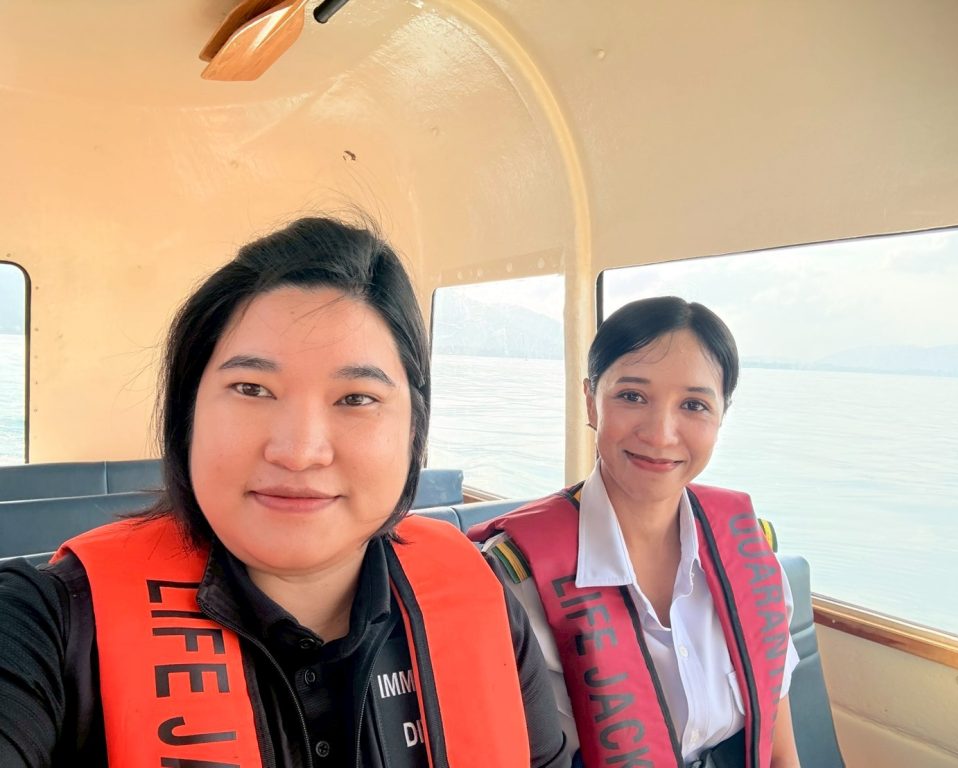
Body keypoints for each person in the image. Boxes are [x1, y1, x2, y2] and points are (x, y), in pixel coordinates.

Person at [0, 217, 570, 768]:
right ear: (187, 414)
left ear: (413, 429)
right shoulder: (50, 623)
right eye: (251, 388)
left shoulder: (484, 599)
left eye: (356, 398)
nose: (299, 452)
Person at [471, 296, 802, 768]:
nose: (661, 433)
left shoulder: (750, 555)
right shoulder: (513, 582)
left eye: (694, 405)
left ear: (720, 417)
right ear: (591, 401)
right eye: (631, 396)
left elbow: (779, 747)